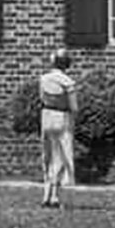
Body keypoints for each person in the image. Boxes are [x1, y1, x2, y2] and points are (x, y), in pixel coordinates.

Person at [38, 48, 78, 208]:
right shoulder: (68, 82)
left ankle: (46, 193)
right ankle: (55, 195)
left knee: (47, 155)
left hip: (46, 116)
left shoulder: (43, 79)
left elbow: (41, 98)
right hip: (62, 117)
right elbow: (74, 106)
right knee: (60, 155)